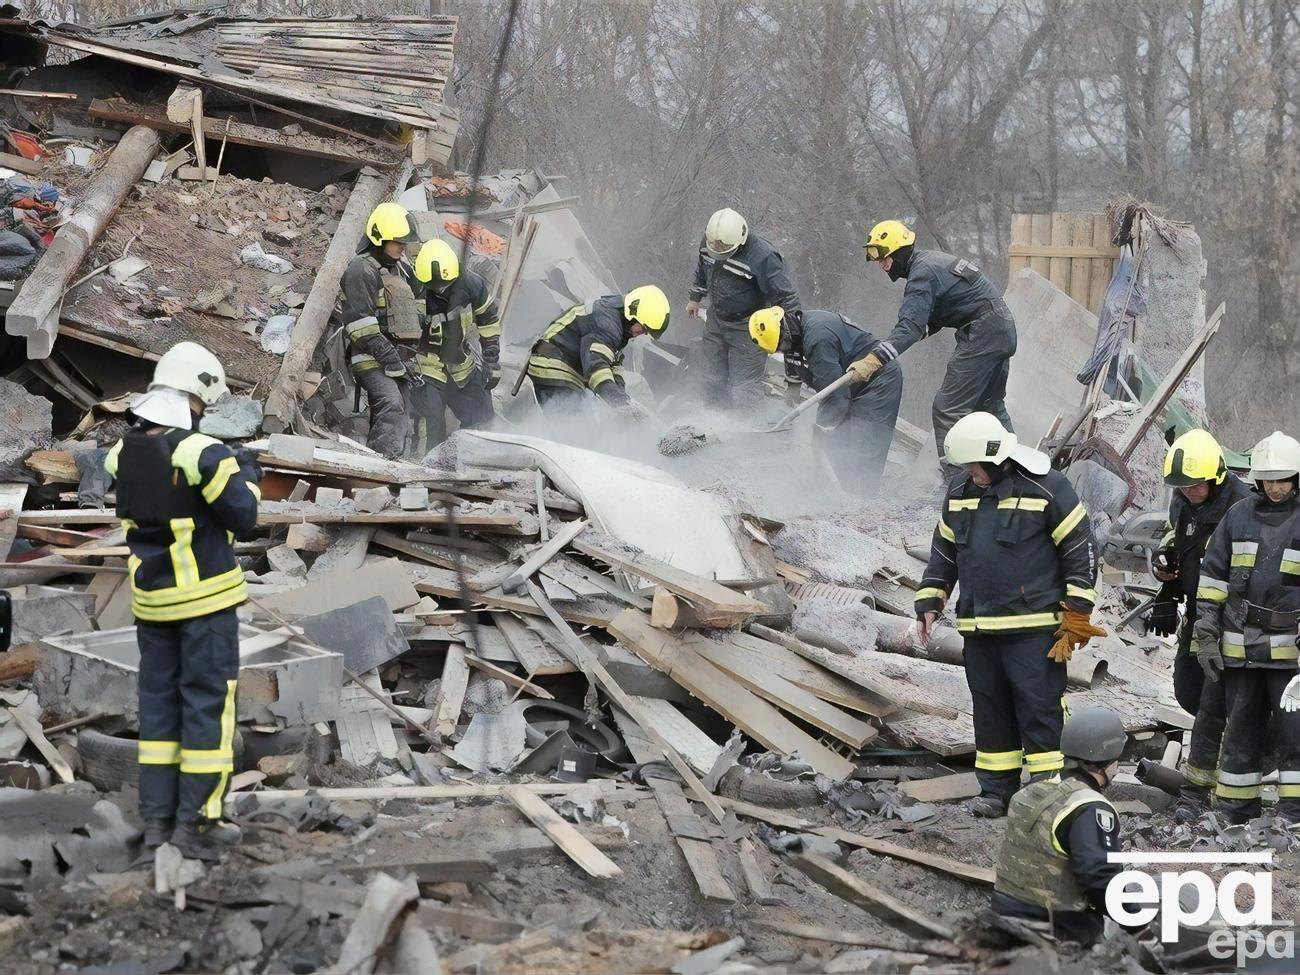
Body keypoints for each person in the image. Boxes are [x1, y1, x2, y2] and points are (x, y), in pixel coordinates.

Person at [104, 343, 262, 857]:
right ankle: (199, 826)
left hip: (152, 604)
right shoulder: (202, 453)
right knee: (207, 713)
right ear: (197, 394)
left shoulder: (119, 452)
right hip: (205, 606)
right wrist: (250, 477)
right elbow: (244, 517)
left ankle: (158, 824)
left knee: (159, 714)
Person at [915, 412, 1103, 817]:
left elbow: (1080, 552)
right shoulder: (960, 492)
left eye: (974, 467)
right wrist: (930, 602)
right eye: (965, 467)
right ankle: (996, 792)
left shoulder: (1047, 489)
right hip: (979, 630)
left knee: (1038, 707)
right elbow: (944, 552)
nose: (970, 474)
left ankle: (1046, 794)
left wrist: (1078, 612)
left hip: (1033, 631)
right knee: (990, 709)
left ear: (996, 458)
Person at [1192, 431, 1300, 826]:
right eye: (1268, 480)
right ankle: (1235, 810)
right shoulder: (1237, 516)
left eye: (1283, 479)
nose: (1275, 488)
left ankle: (1294, 813)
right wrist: (1206, 631)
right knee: (1240, 730)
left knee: (1295, 733)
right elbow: (1213, 578)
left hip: (1290, 655)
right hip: (1239, 649)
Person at [850, 220, 1017, 475]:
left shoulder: (922, 274)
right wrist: (897, 342)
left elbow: (909, 328)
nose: (880, 264)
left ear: (899, 252)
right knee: (991, 404)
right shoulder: (929, 263)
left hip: (983, 331)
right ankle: (1013, 469)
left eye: (883, 257)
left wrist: (873, 360)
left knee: (946, 407)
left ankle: (956, 481)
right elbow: (926, 324)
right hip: (999, 327)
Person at [1148, 429, 1252, 822]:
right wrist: (1166, 573)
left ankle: (1214, 786)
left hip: (1231, 619)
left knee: (1215, 699)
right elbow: (1178, 535)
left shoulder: (1241, 507)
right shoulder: (1184, 499)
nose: (1188, 491)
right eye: (1182, 486)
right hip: (1196, 612)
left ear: (1217, 477)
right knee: (1188, 689)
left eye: (1194, 485)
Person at [993, 708, 1136, 948]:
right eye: (1117, 759)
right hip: (1056, 929)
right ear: (1107, 759)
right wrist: (1137, 920)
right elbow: (1098, 879)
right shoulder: (1089, 807)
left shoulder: (1028, 794)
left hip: (1003, 918)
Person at [748, 306, 902, 495]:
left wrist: (821, 429)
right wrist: (793, 387)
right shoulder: (791, 330)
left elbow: (836, 397)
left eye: (782, 346)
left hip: (877, 381)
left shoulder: (818, 339)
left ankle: (862, 503)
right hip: (848, 383)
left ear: (784, 330)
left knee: (864, 443)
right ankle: (837, 490)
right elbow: (794, 359)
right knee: (840, 439)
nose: (783, 351)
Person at [686, 208, 801, 411]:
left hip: (750, 327)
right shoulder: (709, 242)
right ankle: (714, 424)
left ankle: (746, 435)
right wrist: (695, 298)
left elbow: (786, 297)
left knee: (743, 388)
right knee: (712, 378)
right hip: (716, 319)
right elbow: (703, 270)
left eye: (725, 249)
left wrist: (791, 337)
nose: (718, 251)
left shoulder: (764, 257)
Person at [340, 201, 422, 458]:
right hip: (369, 357)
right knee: (391, 405)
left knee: (404, 412)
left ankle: (390, 463)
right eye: (397, 241)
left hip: (396, 357)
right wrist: (389, 358)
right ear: (379, 238)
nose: (403, 246)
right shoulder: (360, 269)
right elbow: (360, 326)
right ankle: (380, 467)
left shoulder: (398, 268)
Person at [526, 286, 670, 419]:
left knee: (587, 426)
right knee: (574, 431)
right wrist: (616, 399)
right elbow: (596, 366)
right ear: (633, 314)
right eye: (644, 329)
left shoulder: (617, 320)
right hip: (553, 366)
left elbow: (612, 363)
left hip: (564, 367)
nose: (642, 334)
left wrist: (622, 396)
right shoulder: (607, 322)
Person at [409, 238, 499, 449]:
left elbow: (489, 321)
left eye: (445, 285)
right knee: (432, 420)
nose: (440, 289)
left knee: (482, 415)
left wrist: (492, 358)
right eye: (435, 286)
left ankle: (469, 460)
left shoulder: (472, 285)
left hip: (461, 364)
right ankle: (426, 468)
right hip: (426, 367)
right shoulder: (412, 288)